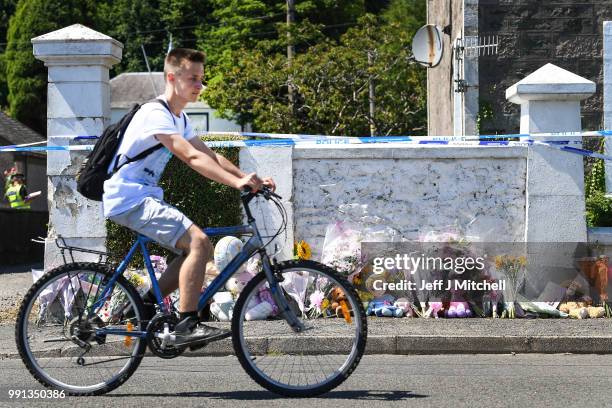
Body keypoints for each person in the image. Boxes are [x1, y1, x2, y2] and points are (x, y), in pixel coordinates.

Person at [102, 48, 275, 348]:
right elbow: (192, 157)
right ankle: (187, 324)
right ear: (172, 77)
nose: (199, 85)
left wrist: (251, 179)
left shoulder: (178, 118)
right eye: (193, 78)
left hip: (142, 196)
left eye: (201, 79)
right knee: (199, 243)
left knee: (189, 254)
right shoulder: (155, 113)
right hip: (129, 197)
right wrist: (237, 184)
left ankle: (142, 306)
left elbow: (211, 155)